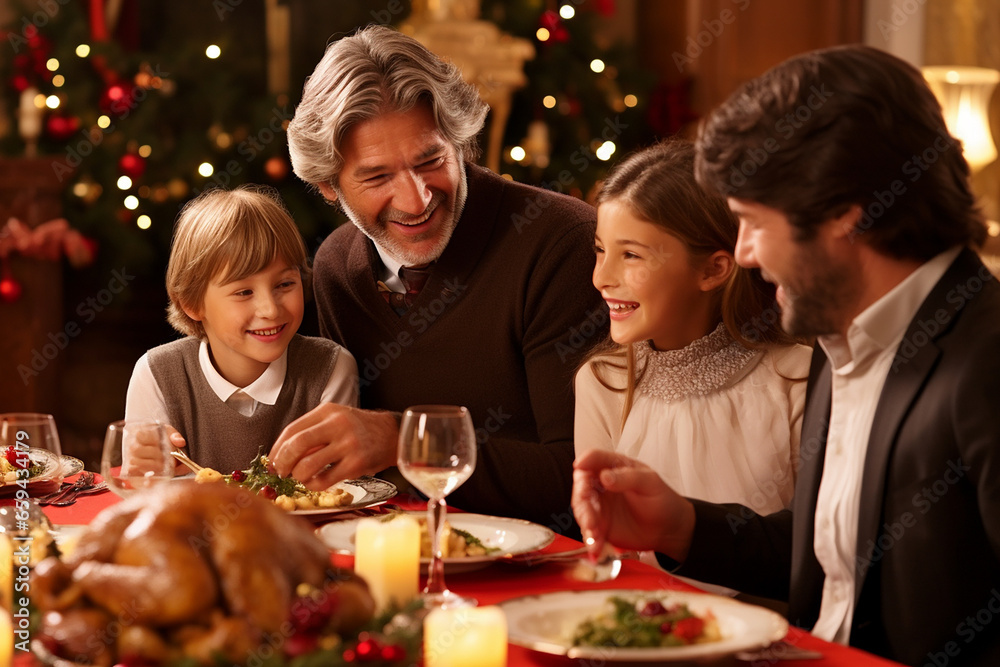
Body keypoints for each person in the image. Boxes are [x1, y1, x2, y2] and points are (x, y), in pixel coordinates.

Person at [572, 44, 1000, 667]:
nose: (742, 253)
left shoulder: (985, 361)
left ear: (844, 218)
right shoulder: (838, 339)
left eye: (753, 222)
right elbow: (826, 559)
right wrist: (683, 526)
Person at [274, 25, 603, 532]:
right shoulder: (337, 268)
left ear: (459, 141)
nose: (416, 200)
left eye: (430, 161)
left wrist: (403, 441)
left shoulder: (560, 243)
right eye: (377, 177)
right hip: (399, 559)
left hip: (548, 571)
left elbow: (582, 477)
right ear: (326, 186)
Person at [575, 139, 810, 518]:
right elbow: (605, 538)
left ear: (713, 269)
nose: (601, 277)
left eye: (631, 255)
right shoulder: (604, 382)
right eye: (600, 250)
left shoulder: (797, 378)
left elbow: (809, 547)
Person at [125, 185, 358, 473]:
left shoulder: (330, 369)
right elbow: (142, 492)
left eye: (285, 284)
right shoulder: (157, 375)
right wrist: (146, 469)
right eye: (244, 292)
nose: (270, 310)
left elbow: (340, 492)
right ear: (192, 303)